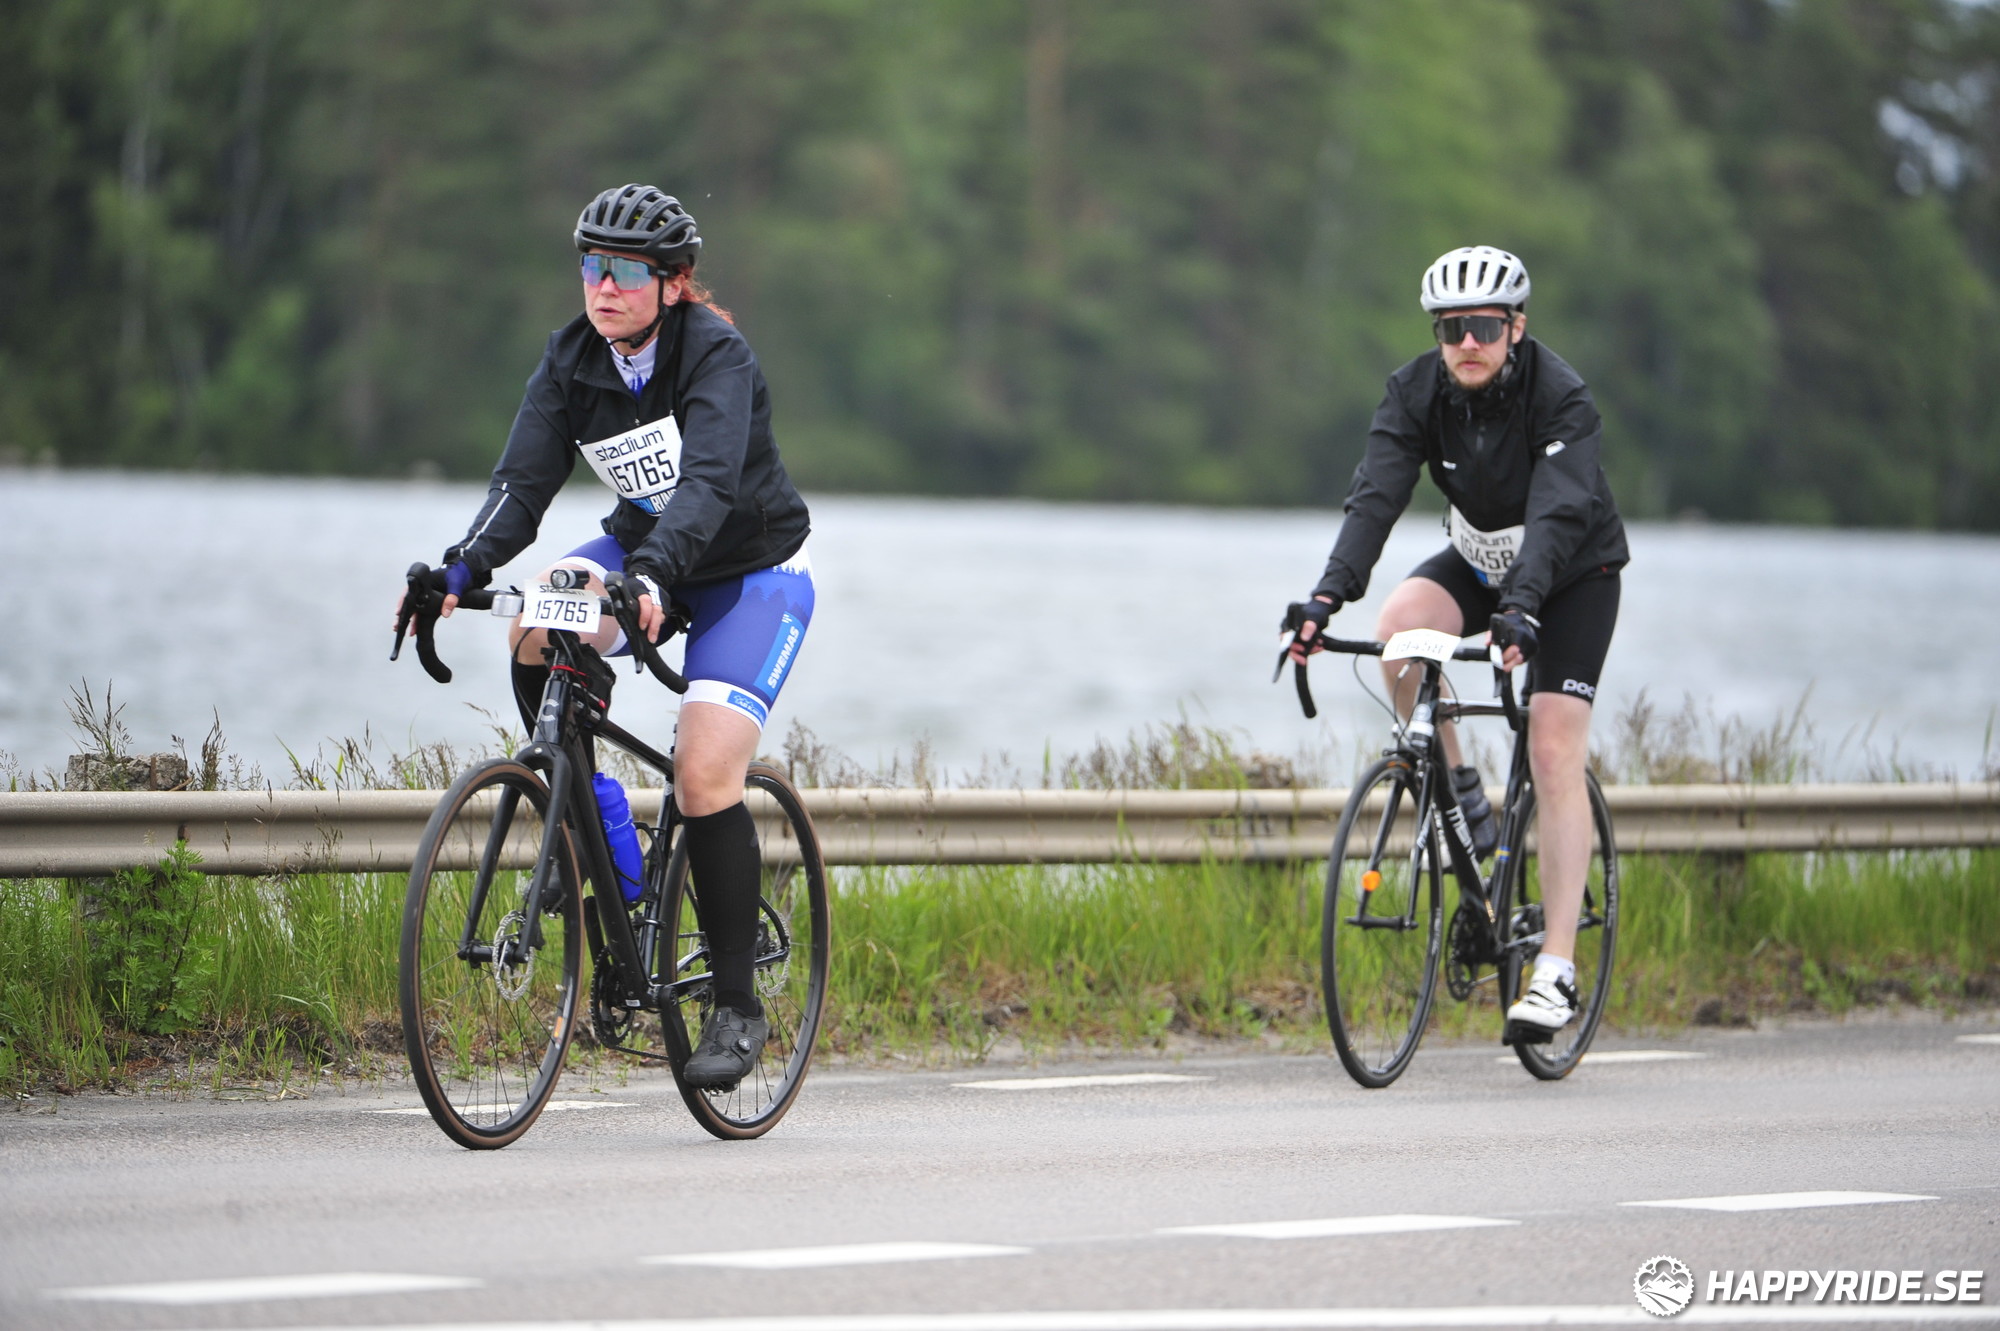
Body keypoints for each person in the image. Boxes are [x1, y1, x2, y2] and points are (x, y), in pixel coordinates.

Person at [404, 183, 814, 1087]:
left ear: (674, 283)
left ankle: (737, 1005)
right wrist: (460, 570)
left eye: (627, 271)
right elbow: (520, 486)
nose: (604, 286)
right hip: (644, 557)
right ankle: (597, 837)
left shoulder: (717, 355)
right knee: (534, 628)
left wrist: (655, 576)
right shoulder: (571, 358)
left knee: (703, 774)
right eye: (592, 265)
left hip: (751, 574)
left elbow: (708, 486)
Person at [1285, 245, 1627, 1037]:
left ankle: (1556, 970)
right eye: (1451, 329)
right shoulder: (1414, 392)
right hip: (1480, 563)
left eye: (1484, 327)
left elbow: (1558, 513)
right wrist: (1325, 596)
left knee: (1552, 746)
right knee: (1398, 633)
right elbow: (1375, 497)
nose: (1467, 342)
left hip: (1573, 574)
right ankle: (1462, 794)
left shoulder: (1561, 396)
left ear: (1516, 328)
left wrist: (1525, 607)